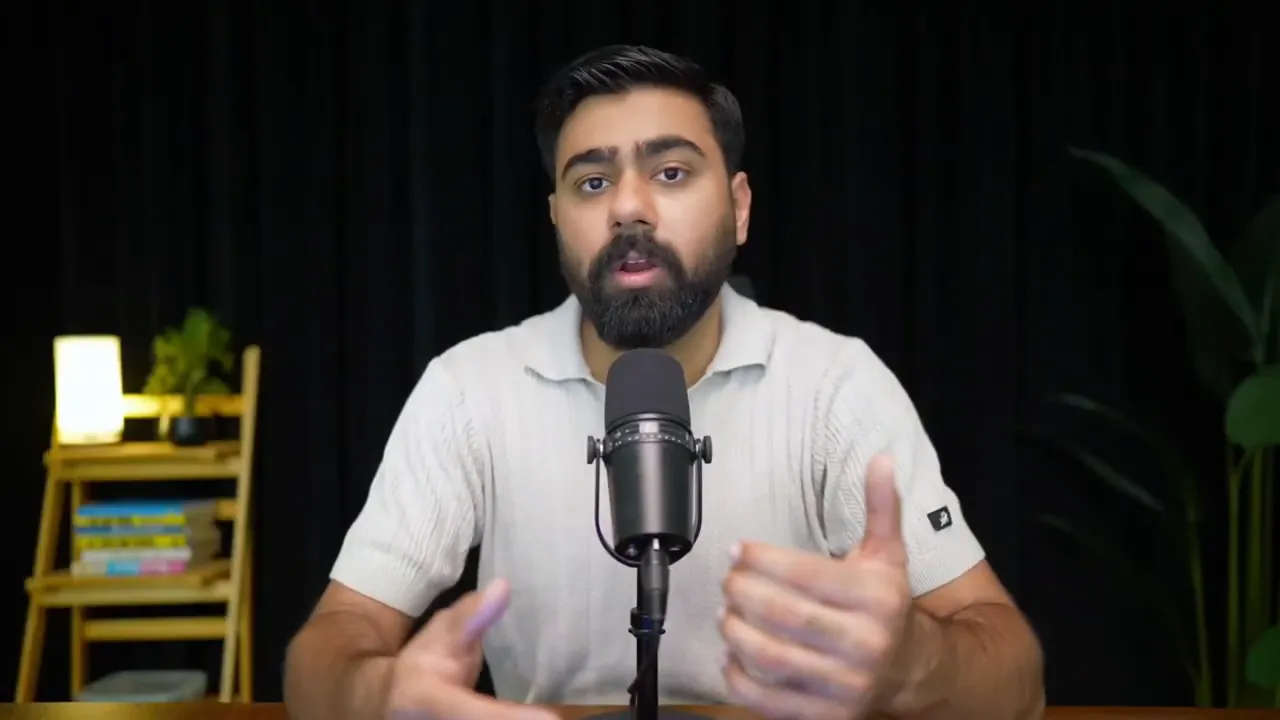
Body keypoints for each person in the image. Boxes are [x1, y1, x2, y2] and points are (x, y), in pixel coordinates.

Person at [283, 45, 1045, 720]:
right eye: (590, 183)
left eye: (671, 172)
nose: (627, 208)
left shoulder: (834, 384)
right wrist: (372, 697)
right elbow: (328, 647)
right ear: (555, 217)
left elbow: (1016, 679)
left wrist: (914, 664)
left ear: (739, 208)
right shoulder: (468, 388)